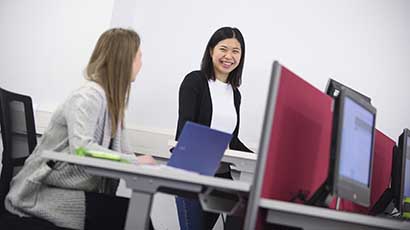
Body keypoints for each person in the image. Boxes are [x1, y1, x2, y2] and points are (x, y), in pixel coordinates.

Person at [4, 28, 156, 230]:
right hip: (37, 194)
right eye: (139, 57)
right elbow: (83, 149)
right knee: (134, 218)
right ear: (124, 60)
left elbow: (124, 153)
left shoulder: (113, 104)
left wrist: (149, 164)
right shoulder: (88, 97)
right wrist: (134, 161)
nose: (141, 64)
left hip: (69, 190)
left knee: (136, 214)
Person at [175, 26, 253, 230]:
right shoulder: (195, 81)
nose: (229, 56)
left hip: (221, 176)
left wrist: (259, 158)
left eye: (236, 51)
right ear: (211, 51)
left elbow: (231, 139)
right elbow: (186, 128)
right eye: (223, 49)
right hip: (192, 171)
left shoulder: (235, 94)